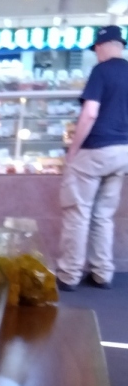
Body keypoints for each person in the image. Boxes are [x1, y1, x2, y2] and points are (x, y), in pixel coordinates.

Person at [57, 25, 128, 290]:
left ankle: (69, 274)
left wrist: (73, 150)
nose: (96, 54)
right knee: (103, 215)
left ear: (102, 46)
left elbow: (89, 113)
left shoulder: (101, 71)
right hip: (122, 152)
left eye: (96, 48)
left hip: (95, 150)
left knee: (77, 212)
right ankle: (102, 273)